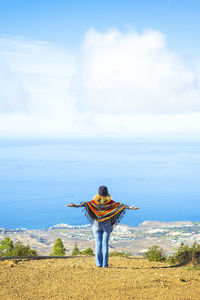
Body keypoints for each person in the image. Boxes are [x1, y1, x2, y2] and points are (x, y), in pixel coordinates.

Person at [67, 185, 139, 268]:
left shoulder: (94, 202)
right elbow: (120, 206)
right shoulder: (111, 203)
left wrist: (74, 205)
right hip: (107, 225)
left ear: (98, 193)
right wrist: (131, 208)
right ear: (107, 193)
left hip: (96, 225)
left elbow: (85, 204)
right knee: (105, 244)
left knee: (98, 243)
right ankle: (105, 264)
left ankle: (98, 264)